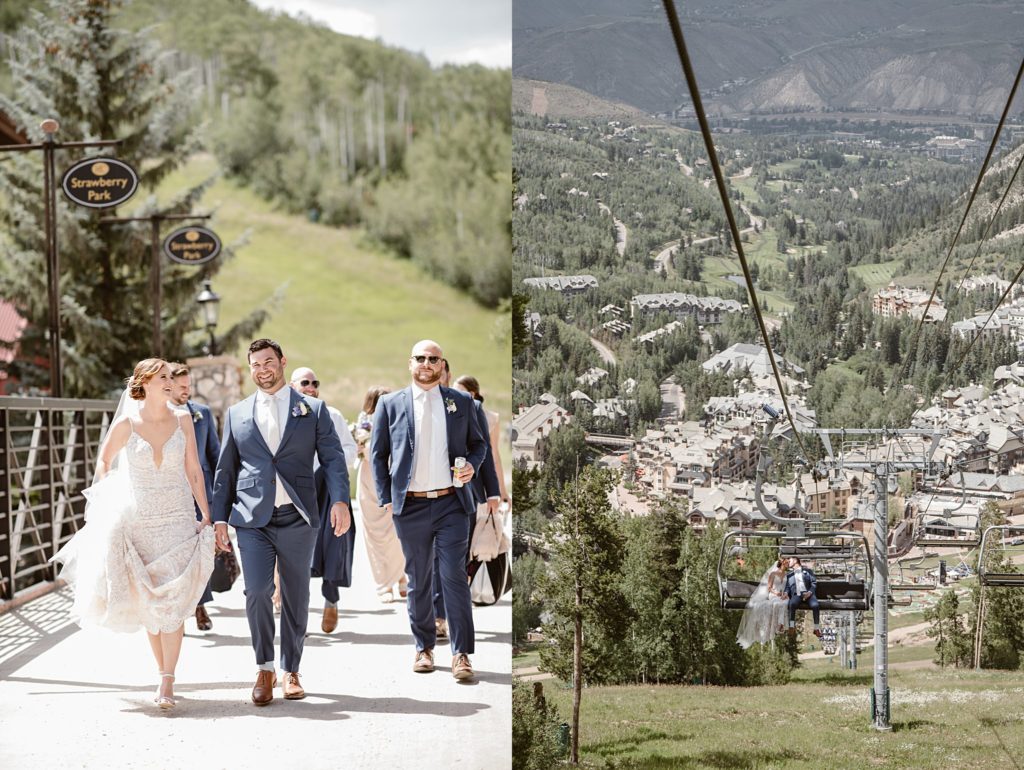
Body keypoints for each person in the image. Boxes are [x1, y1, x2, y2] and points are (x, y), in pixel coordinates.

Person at [53, 358, 215, 709]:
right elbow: (104, 461)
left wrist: (206, 511)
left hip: (177, 517)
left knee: (172, 601)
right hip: (140, 520)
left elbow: (193, 469)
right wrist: (105, 500)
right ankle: (163, 674)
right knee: (151, 602)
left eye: (171, 377)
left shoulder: (184, 419)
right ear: (145, 383)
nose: (170, 382)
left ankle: (167, 680)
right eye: (163, 378)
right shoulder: (127, 423)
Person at [212, 339, 350, 706]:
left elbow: (334, 459)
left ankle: (291, 670)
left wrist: (340, 500)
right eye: (255, 364)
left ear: (282, 362)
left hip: (298, 516)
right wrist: (219, 519)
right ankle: (265, 667)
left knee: (295, 594)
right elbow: (225, 469)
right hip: (252, 518)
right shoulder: (237, 413)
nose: (262, 370)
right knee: (256, 591)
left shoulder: (313, 409)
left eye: (268, 362)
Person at [370, 339, 486, 680]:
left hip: (453, 503)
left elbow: (478, 445)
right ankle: (423, 647)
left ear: (442, 365)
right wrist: (386, 497)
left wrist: (472, 467)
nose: (426, 363)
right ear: (410, 364)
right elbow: (378, 455)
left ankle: (461, 653)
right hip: (411, 507)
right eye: (420, 358)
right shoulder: (390, 405)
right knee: (419, 579)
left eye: (433, 359)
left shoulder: (461, 402)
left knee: (452, 576)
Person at [289, 366, 359, 634]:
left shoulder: (334, 415)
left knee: (333, 546)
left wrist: (333, 463)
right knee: (298, 554)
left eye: (315, 383)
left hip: (329, 491)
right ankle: (299, 616)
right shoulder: (285, 416)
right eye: (305, 382)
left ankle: (331, 600)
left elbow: (350, 450)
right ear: (293, 386)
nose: (311, 387)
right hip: (298, 492)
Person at [169, 362, 222, 632]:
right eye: (181, 387)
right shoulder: (160, 417)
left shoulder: (202, 414)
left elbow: (215, 454)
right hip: (168, 496)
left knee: (200, 555)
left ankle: (200, 606)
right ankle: (179, 610)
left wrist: (220, 495)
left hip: (200, 493)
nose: (186, 391)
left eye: (189, 387)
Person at [353, 385, 408, 603]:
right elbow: (359, 447)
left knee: (397, 534)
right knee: (375, 535)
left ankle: (401, 576)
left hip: (391, 478)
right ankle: (384, 584)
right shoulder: (363, 421)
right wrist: (361, 446)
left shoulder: (400, 420)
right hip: (368, 481)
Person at [736, 558, 788, 649]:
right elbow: (769, 588)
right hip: (774, 594)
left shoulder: (786, 574)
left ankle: (780, 625)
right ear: (782, 563)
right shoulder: (773, 574)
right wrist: (777, 593)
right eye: (786, 563)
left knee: (784, 603)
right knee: (778, 603)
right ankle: (778, 625)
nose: (788, 564)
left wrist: (784, 594)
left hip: (783, 595)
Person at [785, 556, 822, 638]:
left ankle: (816, 629)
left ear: (795, 561)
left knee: (815, 605)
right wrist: (785, 593)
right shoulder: (789, 575)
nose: (788, 562)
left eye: (789, 561)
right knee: (792, 604)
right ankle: (791, 626)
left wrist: (809, 592)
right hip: (797, 595)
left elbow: (814, 583)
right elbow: (787, 587)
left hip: (808, 594)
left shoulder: (808, 571)